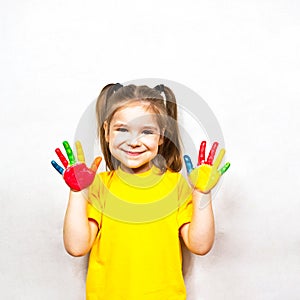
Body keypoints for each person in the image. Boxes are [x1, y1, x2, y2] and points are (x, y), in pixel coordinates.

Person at [51, 83, 230, 300]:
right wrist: (77, 191)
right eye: (122, 129)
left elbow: (200, 245)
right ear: (107, 132)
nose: (133, 142)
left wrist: (202, 192)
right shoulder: (100, 186)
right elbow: (77, 247)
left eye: (146, 131)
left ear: (161, 136)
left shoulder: (176, 186)